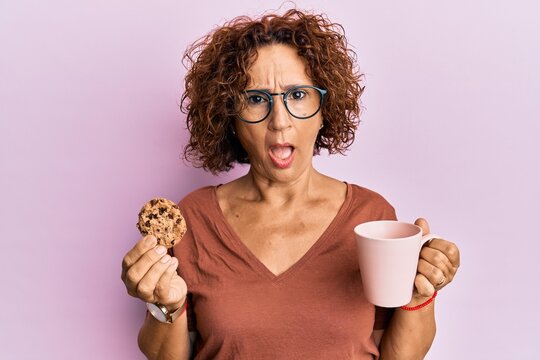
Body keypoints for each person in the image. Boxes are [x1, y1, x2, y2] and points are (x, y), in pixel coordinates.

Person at [121, 9, 460, 360]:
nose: (279, 122)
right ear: (229, 116)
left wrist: (422, 292)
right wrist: (165, 306)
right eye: (255, 99)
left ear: (323, 108)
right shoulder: (194, 219)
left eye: (298, 95)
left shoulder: (372, 217)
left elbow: (397, 356)